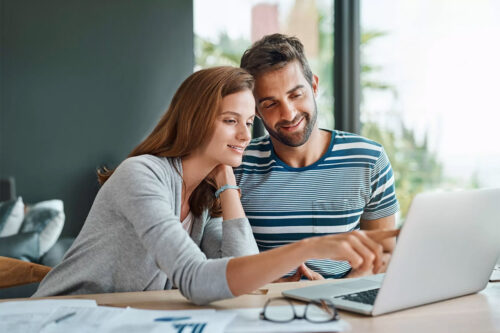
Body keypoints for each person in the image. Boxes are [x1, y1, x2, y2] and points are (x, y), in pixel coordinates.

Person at [33, 66, 398, 305]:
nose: (244, 134)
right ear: (193, 121)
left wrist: (226, 180)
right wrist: (308, 248)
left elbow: (240, 271)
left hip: (120, 321)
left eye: (249, 122)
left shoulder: (203, 198)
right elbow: (195, 279)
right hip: (56, 321)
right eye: (229, 120)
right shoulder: (141, 175)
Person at [236, 34, 400, 280]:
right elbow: (224, 261)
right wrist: (280, 288)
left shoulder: (369, 159)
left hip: (342, 306)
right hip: (263, 305)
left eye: (296, 95)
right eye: (270, 104)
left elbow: (384, 254)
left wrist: (333, 293)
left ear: (314, 85)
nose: (289, 113)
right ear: (256, 111)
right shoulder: (238, 165)